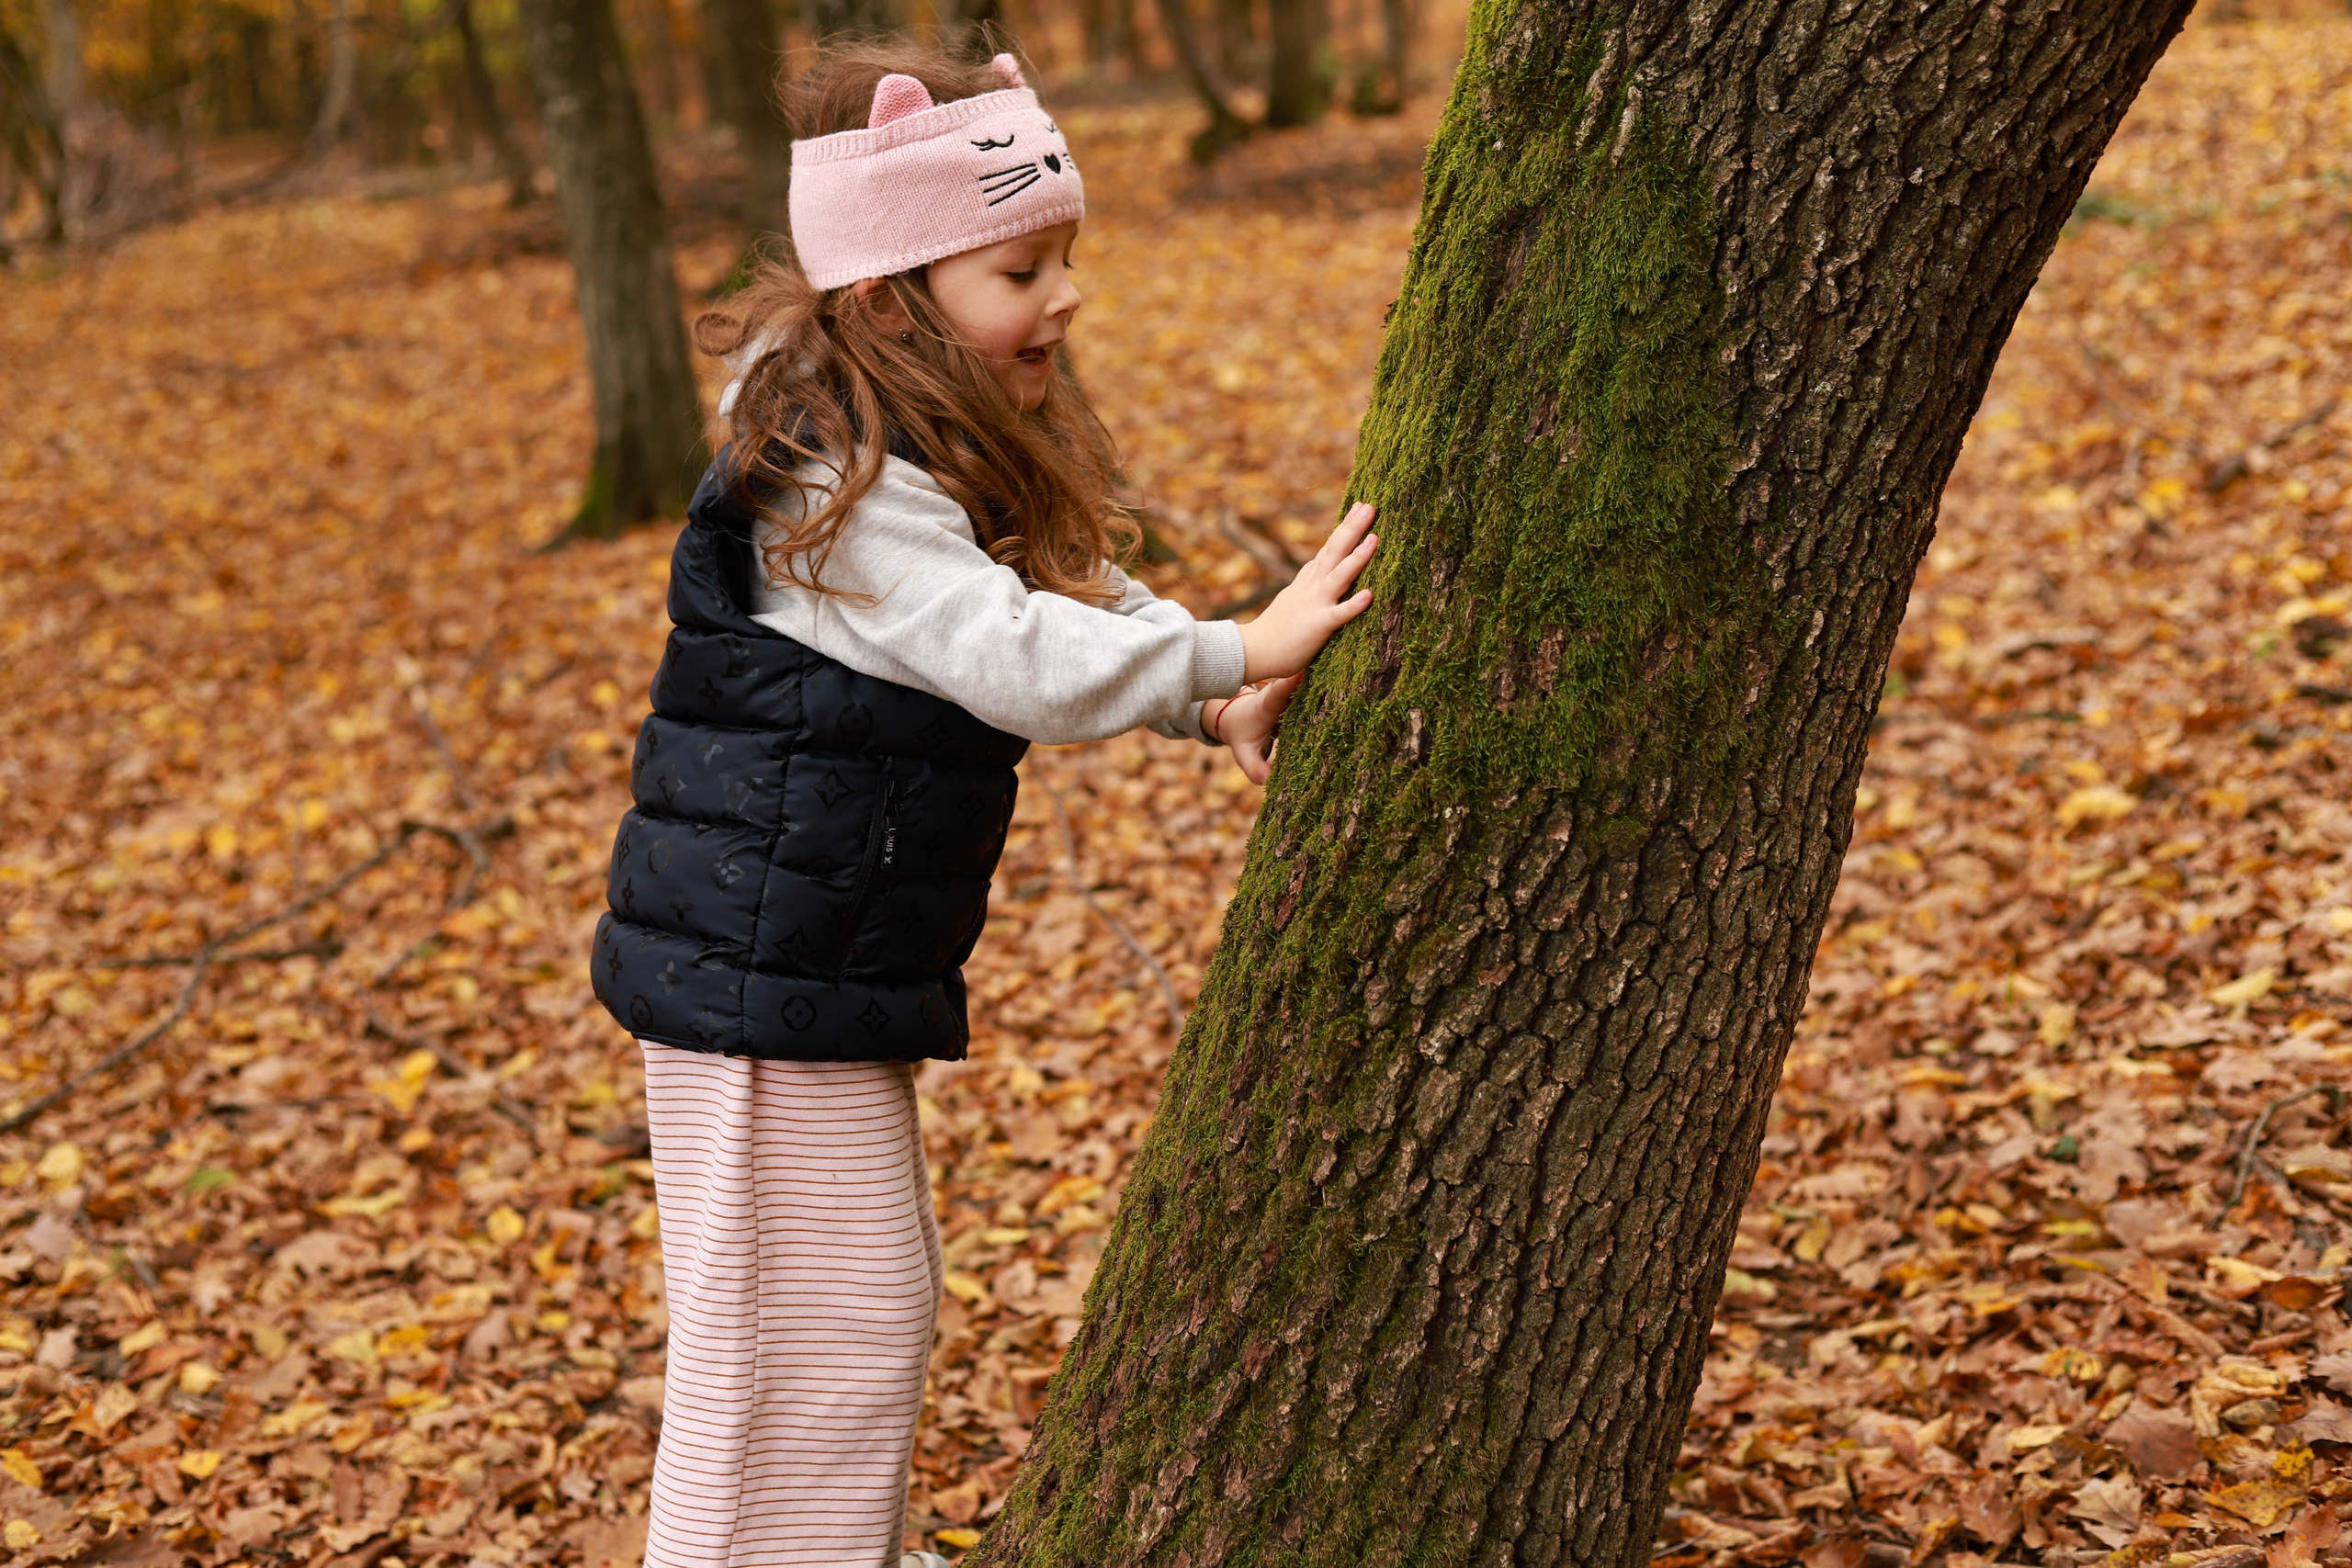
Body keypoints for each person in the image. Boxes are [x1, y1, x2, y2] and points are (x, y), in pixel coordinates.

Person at [589, 40, 1378, 1568]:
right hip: (751, 982)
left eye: (1062, 258)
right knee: (786, 1354)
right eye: (1022, 268)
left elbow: (1056, 587)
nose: (1064, 298)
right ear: (891, 302)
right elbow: (1006, 653)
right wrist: (1236, 643)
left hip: (810, 969)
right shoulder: (820, 479)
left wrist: (1208, 693)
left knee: (866, 1314)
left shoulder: (900, 444)